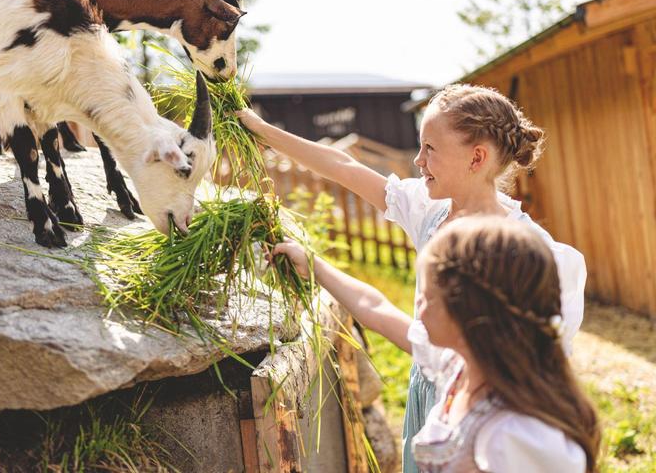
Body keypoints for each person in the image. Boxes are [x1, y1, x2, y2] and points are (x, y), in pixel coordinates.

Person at [237, 83, 586, 471]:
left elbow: (541, 363)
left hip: (480, 412)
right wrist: (259, 129)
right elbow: (343, 167)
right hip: (434, 401)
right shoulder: (429, 209)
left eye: (430, 149)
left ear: (477, 158)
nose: (418, 160)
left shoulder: (524, 254)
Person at [270, 216, 600, 472]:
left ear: (467, 309)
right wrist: (311, 265)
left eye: (427, 296)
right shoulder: (458, 363)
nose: (419, 307)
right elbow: (377, 309)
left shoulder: (517, 434)